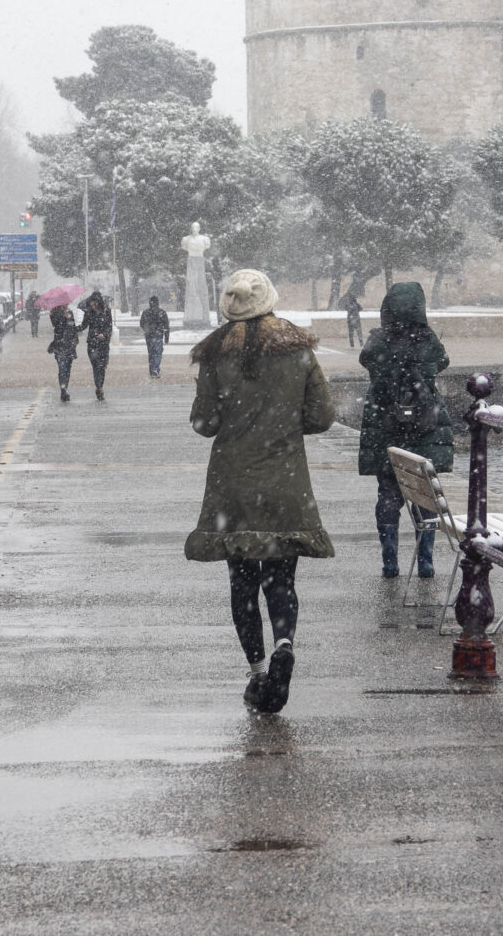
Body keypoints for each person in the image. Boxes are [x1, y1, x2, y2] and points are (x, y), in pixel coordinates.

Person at [186, 269, 335, 715]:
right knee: (281, 580)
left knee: (243, 584)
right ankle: (284, 647)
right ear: (268, 299)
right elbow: (322, 416)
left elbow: (204, 423)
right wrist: (285, 426)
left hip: (233, 487)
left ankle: (256, 674)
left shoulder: (215, 354)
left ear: (229, 305)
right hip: (286, 483)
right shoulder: (300, 351)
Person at [358, 282, 453, 579]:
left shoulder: (378, 341)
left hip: (386, 430)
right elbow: (441, 362)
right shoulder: (428, 339)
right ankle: (425, 561)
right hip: (424, 432)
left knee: (388, 494)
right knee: (425, 496)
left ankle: (390, 561)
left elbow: (367, 361)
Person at [82, 290, 114, 401]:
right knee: (96, 367)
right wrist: (70, 324)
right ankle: (99, 386)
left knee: (102, 366)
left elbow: (110, 327)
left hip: (103, 344)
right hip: (92, 343)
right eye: (92, 302)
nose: (93, 305)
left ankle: (99, 386)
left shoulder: (106, 311)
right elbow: (83, 326)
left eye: (95, 302)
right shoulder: (88, 312)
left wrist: (104, 334)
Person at [47, 302, 81, 402]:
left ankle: (64, 387)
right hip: (59, 344)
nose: (67, 304)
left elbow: (72, 326)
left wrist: (69, 318)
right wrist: (64, 317)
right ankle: (63, 390)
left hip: (70, 344)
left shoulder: (69, 312)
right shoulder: (54, 313)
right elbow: (57, 327)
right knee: (62, 368)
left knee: (67, 369)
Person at [139, 294, 171, 379]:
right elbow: (166, 326)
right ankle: (155, 369)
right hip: (158, 335)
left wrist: (147, 330)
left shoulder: (146, 312)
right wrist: (166, 338)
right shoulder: (162, 312)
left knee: (151, 353)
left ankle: (153, 370)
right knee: (157, 353)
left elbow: (142, 323)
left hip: (149, 336)